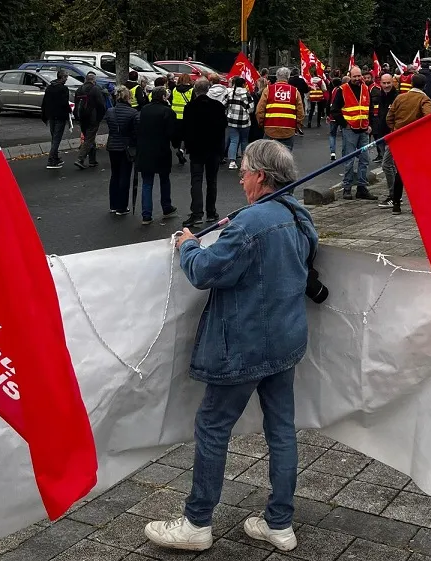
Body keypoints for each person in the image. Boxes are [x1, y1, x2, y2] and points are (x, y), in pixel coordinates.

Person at [147, 140, 318, 554]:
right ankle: (280, 524)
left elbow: (206, 271)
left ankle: (196, 523)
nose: (239, 177)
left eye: (243, 171)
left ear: (261, 176)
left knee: (212, 426)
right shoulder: (298, 215)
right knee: (281, 430)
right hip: (286, 341)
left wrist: (188, 243)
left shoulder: (252, 222)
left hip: (243, 346)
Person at [181, 79, 227, 229]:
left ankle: (197, 213)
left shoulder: (190, 107)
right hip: (213, 148)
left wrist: (187, 146)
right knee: (212, 181)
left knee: (196, 180)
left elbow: (186, 129)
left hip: (196, 149)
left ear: (195, 90)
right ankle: (211, 211)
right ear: (208, 90)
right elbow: (222, 128)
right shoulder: (217, 107)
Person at [385, 73, 431, 215]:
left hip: (400, 139)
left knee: (400, 172)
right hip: (416, 141)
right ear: (425, 85)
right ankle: (415, 205)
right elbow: (428, 118)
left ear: (411, 83)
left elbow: (389, 117)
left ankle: (396, 204)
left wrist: (395, 130)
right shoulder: (424, 99)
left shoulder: (400, 97)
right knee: (417, 173)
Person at [330, 66, 375, 200]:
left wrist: (370, 124)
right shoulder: (342, 90)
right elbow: (334, 110)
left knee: (364, 160)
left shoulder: (366, 89)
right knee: (349, 160)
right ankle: (347, 188)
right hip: (350, 130)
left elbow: (370, 109)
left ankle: (362, 188)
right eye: (354, 76)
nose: (357, 79)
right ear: (350, 76)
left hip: (364, 130)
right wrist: (345, 124)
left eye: (359, 76)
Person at [136, 87, 177, 225]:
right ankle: (166, 207)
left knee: (147, 183)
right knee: (164, 180)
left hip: (145, 150)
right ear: (164, 97)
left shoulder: (145, 110)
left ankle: (146, 214)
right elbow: (172, 133)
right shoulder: (168, 112)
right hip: (162, 150)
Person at [104, 86, 139, 216]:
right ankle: (122, 206)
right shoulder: (133, 113)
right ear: (127, 97)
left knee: (115, 175)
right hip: (126, 147)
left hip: (112, 145)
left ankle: (113, 204)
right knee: (125, 176)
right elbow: (135, 132)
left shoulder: (110, 111)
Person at [256, 67, 304, 151]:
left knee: (268, 157)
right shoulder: (295, 91)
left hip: (270, 128)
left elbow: (260, 110)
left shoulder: (268, 90)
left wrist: (261, 124)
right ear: (288, 77)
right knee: (286, 157)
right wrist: (297, 126)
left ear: (277, 77)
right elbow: (300, 112)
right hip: (288, 129)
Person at [374, 73, 400, 209]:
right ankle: (396, 195)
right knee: (392, 166)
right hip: (382, 134)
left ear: (393, 82)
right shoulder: (380, 96)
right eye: (384, 83)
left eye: (388, 83)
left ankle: (393, 196)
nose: (386, 86)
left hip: (392, 135)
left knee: (386, 165)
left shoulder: (397, 97)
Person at [73, 72, 107, 170]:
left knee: (89, 137)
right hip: (93, 118)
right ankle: (80, 159)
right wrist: (100, 118)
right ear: (93, 80)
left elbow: (76, 104)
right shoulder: (95, 89)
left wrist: (77, 117)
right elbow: (101, 105)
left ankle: (92, 160)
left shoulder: (79, 90)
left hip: (82, 118)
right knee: (89, 139)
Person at [41, 68, 71, 169]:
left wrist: (45, 115)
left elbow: (45, 102)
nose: (66, 79)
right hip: (60, 116)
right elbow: (64, 103)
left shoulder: (50, 87)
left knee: (54, 137)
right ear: (62, 77)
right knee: (57, 138)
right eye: (66, 77)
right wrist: (69, 111)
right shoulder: (63, 89)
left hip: (51, 116)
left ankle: (55, 158)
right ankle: (51, 160)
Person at [225, 76, 254, 170]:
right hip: (244, 121)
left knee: (234, 140)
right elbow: (251, 108)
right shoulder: (247, 95)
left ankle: (232, 161)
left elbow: (224, 104)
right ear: (243, 84)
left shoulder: (230, 93)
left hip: (232, 120)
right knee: (244, 140)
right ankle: (244, 161)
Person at [170, 74, 194, 165]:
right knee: (185, 136)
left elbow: (171, 100)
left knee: (177, 136)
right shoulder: (192, 90)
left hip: (175, 116)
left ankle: (178, 149)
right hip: (186, 117)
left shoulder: (175, 89)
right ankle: (181, 150)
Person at [364, 70, 383, 161]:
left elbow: (376, 101)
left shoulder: (374, 88)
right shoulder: (365, 87)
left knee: (376, 136)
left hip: (375, 115)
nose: (367, 79)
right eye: (365, 78)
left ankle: (380, 154)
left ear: (372, 78)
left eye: (368, 78)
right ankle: (365, 155)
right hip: (367, 115)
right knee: (367, 136)